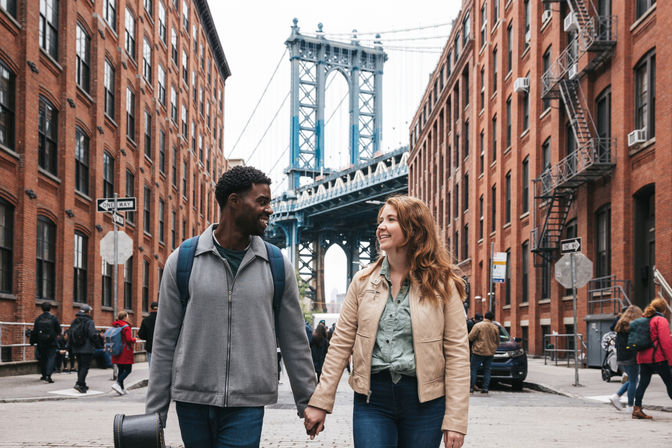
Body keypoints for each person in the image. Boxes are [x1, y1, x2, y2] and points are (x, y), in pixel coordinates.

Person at [146, 166, 316, 447]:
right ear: (234, 202)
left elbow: (294, 340)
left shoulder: (276, 265)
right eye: (262, 201)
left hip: (247, 403)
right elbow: (164, 341)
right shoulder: (183, 260)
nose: (270, 210)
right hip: (192, 400)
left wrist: (308, 402)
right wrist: (155, 415)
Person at [303, 195, 469, 448]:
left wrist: (456, 420)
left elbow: (457, 352)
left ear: (414, 228)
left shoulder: (443, 284)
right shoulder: (362, 281)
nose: (381, 226)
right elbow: (340, 345)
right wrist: (320, 401)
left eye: (391, 220)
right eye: (381, 220)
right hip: (373, 400)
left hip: (426, 403)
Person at [632, 297, 672, 419]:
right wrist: (670, 360)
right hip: (657, 358)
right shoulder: (661, 320)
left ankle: (637, 409)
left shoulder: (642, 320)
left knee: (643, 383)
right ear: (664, 310)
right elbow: (665, 342)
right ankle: (637, 409)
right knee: (670, 382)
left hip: (643, 358)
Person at [608, 305, 643, 411]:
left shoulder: (620, 322)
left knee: (633, 379)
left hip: (621, 356)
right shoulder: (633, 325)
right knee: (633, 381)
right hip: (631, 356)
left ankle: (616, 396)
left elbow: (611, 328)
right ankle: (630, 406)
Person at [69, 304, 98, 393]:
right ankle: (79, 383)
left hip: (77, 347)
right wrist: (96, 342)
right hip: (87, 348)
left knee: (80, 366)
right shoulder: (89, 321)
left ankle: (82, 384)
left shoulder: (75, 321)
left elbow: (70, 333)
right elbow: (92, 334)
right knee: (85, 367)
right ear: (88, 312)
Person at [468, 311, 500, 394]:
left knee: (474, 369)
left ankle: (471, 388)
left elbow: (470, 337)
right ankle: (485, 388)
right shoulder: (495, 327)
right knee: (487, 371)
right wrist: (493, 349)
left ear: (484, 317)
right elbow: (497, 341)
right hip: (490, 353)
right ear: (492, 318)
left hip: (478, 351)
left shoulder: (478, 326)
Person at [30, 302, 61, 383]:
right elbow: (59, 330)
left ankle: (43, 375)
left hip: (41, 342)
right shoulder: (53, 318)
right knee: (51, 358)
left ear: (41, 309)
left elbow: (35, 331)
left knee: (43, 358)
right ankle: (48, 376)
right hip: (52, 342)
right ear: (50, 308)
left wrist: (33, 341)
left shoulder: (38, 318)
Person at [111, 311, 136, 395]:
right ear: (125, 317)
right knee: (128, 370)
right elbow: (129, 339)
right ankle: (117, 383)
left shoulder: (115, 325)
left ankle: (121, 388)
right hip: (125, 351)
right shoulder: (126, 327)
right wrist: (134, 339)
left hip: (117, 350)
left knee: (121, 370)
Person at [138, 301, 158, 368]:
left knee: (152, 369)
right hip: (163, 348)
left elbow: (141, 335)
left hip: (150, 347)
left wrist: (148, 337)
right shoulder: (164, 319)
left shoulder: (146, 320)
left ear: (151, 308)